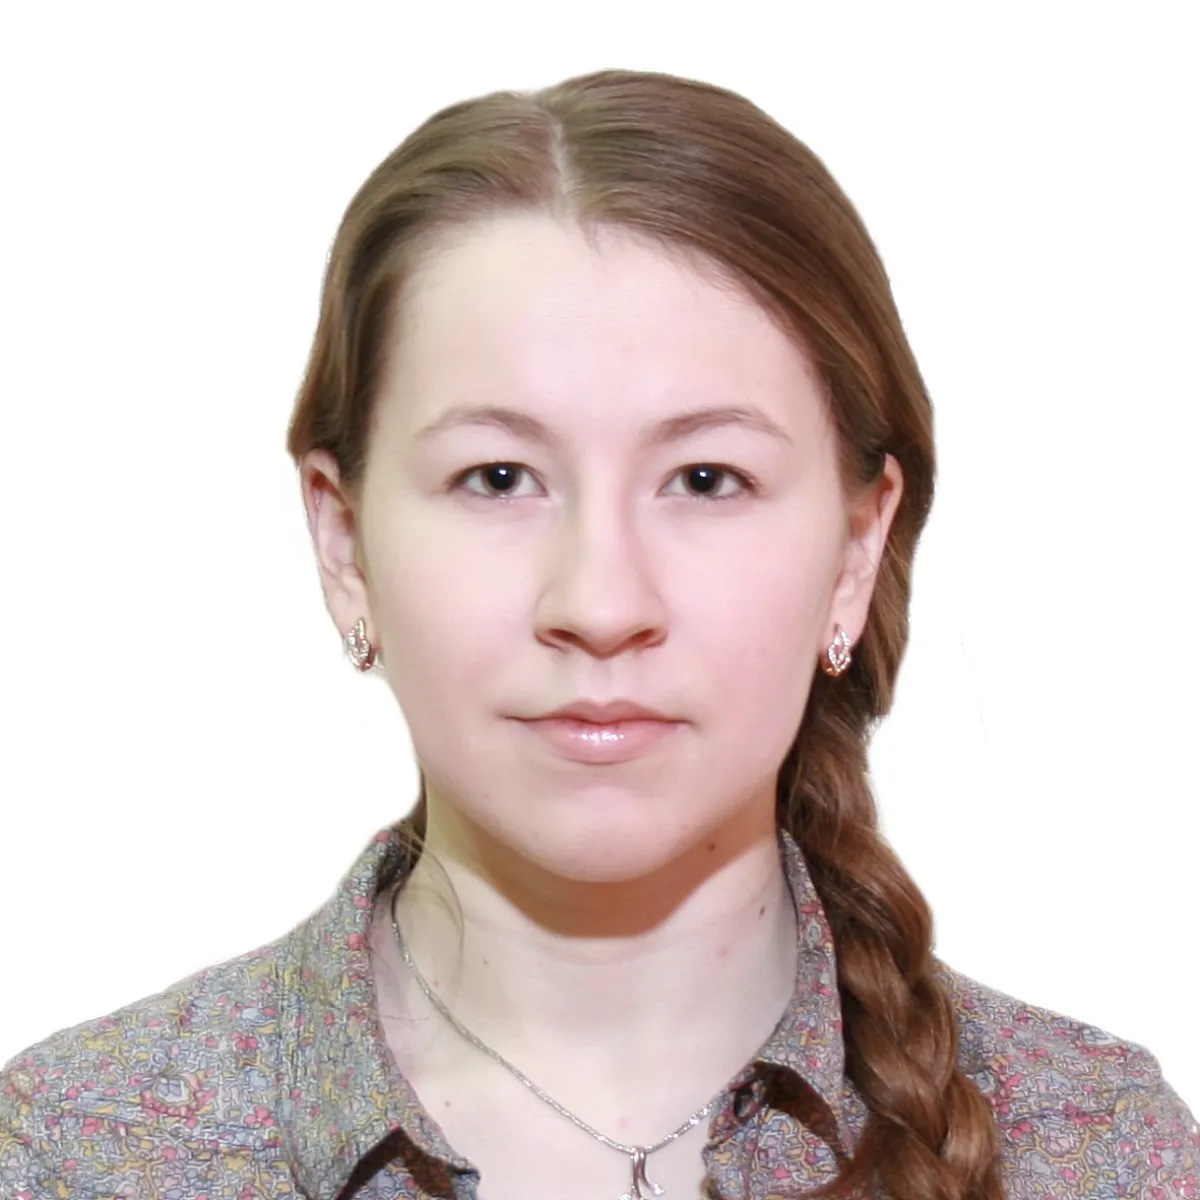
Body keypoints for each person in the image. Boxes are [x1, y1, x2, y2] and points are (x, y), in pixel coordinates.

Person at [1, 67, 1196, 1200]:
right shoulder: (84, 1154)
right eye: (498, 477)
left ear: (854, 551)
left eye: (708, 479)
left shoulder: (1094, 1151)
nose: (603, 601)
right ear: (345, 541)